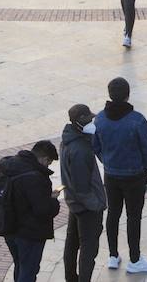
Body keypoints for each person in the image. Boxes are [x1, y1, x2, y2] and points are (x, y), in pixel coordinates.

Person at [91, 77, 147, 274]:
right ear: (128, 94)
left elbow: (96, 146)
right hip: (134, 175)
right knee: (133, 216)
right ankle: (135, 259)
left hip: (111, 174)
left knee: (113, 213)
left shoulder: (100, 119)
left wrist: (107, 161)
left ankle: (113, 255)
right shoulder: (137, 120)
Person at [0, 141, 60, 282]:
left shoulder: (11, 165)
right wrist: (53, 201)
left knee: (20, 266)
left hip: (9, 227)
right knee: (28, 272)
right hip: (29, 233)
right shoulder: (35, 177)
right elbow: (43, 210)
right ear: (44, 158)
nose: (48, 165)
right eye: (49, 162)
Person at [60, 104, 104, 282]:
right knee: (88, 249)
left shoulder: (68, 140)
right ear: (80, 122)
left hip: (74, 203)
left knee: (72, 244)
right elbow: (82, 187)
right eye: (89, 120)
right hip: (86, 207)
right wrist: (96, 205)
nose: (92, 122)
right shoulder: (80, 150)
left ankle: (71, 278)